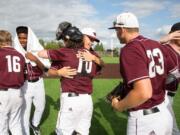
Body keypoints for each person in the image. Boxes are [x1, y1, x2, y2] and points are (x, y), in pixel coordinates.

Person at [109, 12, 176, 135]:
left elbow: (143, 93)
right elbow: (173, 74)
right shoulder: (156, 44)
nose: (117, 33)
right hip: (164, 114)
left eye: (117, 30)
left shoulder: (130, 49)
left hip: (145, 120)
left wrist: (119, 106)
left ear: (122, 29)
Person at [38, 22, 102, 135]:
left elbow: (41, 54)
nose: (63, 42)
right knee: (82, 132)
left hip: (71, 100)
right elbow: (100, 66)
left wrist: (58, 71)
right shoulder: (93, 56)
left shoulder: (65, 52)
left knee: (63, 132)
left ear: (69, 39)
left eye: (64, 39)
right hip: (87, 101)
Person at [13, 26, 50, 135]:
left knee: (41, 107)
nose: (22, 40)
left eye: (25, 38)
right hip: (24, 85)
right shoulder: (15, 51)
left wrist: (35, 59)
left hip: (38, 82)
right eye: (20, 38)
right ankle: (25, 132)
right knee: (25, 111)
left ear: (30, 38)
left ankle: (34, 124)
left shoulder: (37, 48)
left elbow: (46, 69)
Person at [0, 30, 26, 135]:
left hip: (3, 93)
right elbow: (24, 76)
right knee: (15, 124)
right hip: (18, 93)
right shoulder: (20, 55)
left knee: (2, 126)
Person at [160, 22, 180, 135]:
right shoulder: (163, 49)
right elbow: (144, 49)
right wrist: (163, 40)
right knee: (173, 130)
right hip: (162, 96)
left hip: (170, 95)